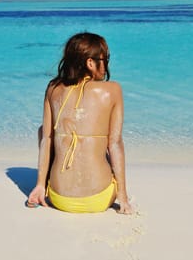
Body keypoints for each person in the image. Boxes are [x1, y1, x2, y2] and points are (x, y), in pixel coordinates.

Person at [27, 32, 133, 214]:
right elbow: (114, 144)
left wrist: (39, 185)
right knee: (106, 142)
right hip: (98, 199)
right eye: (105, 58)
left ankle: (43, 185)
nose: (106, 64)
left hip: (58, 198)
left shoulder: (53, 88)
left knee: (45, 132)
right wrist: (122, 195)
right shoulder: (112, 90)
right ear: (90, 63)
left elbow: (46, 139)